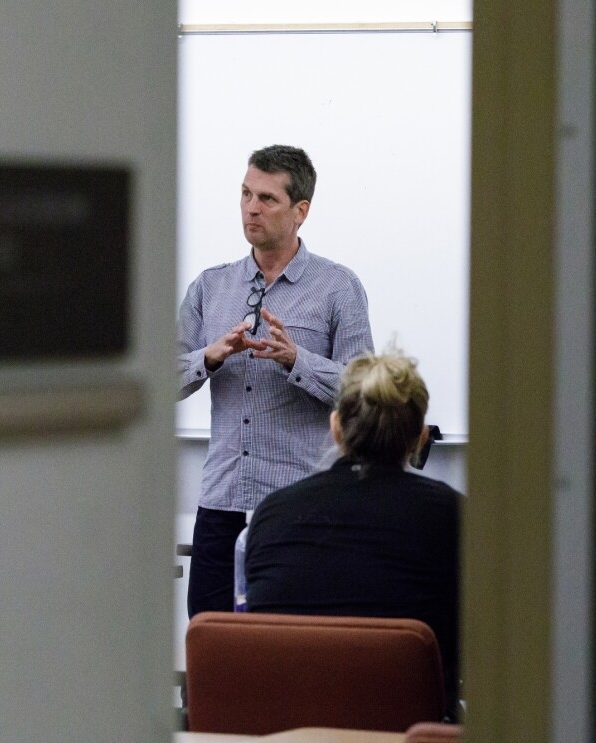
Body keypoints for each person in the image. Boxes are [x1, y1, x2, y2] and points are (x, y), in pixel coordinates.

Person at [177, 145, 374, 618]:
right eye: (245, 193)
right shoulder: (210, 287)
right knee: (210, 643)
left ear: (301, 211)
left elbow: (366, 393)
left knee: (292, 651)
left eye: (267, 198)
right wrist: (208, 356)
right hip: (221, 502)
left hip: (300, 504)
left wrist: (296, 360)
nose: (251, 207)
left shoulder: (337, 288)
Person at [245, 350, 462, 720]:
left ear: (336, 427)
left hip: (290, 732)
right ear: (420, 437)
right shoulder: (455, 516)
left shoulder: (271, 515)